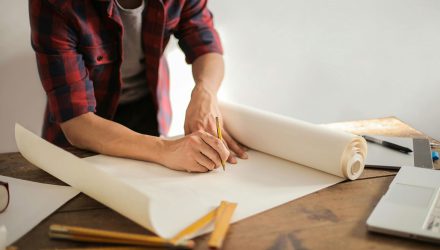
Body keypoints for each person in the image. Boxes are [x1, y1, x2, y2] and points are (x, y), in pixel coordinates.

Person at [29, 0, 247, 173]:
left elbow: (206, 45)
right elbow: (77, 124)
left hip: (148, 111)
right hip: (83, 132)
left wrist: (205, 92)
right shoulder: (55, 3)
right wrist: (167, 149)